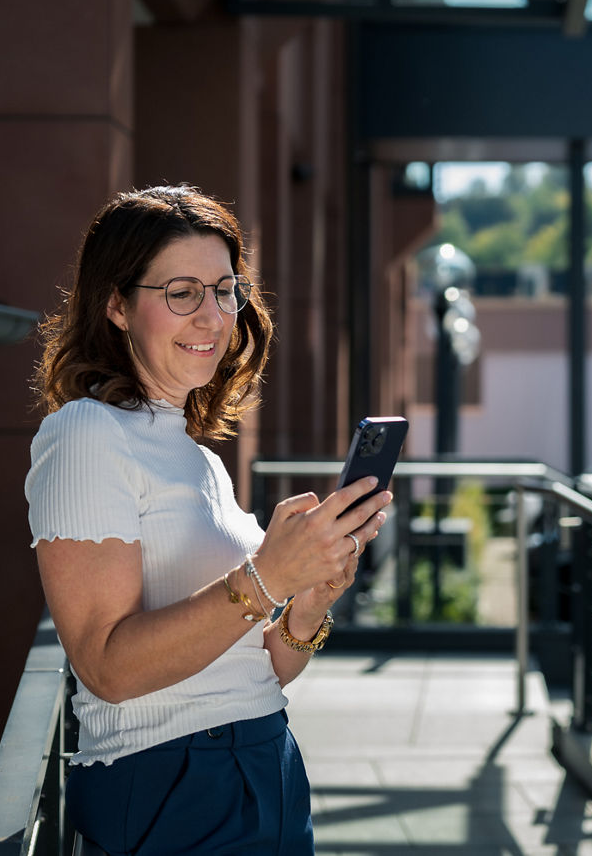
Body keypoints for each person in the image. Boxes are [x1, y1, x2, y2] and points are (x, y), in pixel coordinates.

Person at [24, 184, 390, 854]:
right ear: (116, 304)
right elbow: (107, 667)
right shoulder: (85, 434)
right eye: (182, 291)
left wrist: (310, 599)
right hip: (172, 776)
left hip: (265, 759)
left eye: (225, 290)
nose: (213, 316)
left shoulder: (198, 457)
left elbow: (260, 671)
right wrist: (267, 573)